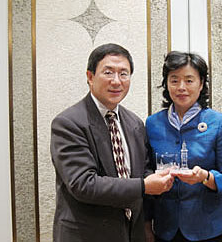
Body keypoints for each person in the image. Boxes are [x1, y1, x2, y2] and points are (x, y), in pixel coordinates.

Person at [50, 43, 174, 242]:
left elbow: (142, 171)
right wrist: (144, 186)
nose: (117, 81)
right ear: (90, 77)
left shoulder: (134, 122)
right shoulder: (68, 123)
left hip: (130, 234)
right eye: (108, 72)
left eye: (124, 74)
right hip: (87, 235)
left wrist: (163, 177)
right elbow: (84, 184)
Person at [144, 51, 222, 242]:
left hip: (207, 229)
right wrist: (146, 224)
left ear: (201, 84)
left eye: (189, 80)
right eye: (174, 80)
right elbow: (145, 173)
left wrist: (205, 177)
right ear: (166, 83)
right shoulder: (152, 123)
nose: (181, 87)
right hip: (165, 228)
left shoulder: (218, 123)